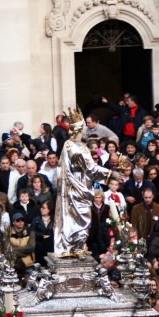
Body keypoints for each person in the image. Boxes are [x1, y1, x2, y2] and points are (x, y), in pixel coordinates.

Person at [54, 107, 120, 255]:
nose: (84, 130)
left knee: (72, 216)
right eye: (82, 127)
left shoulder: (68, 145)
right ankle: (76, 246)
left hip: (71, 186)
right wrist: (111, 174)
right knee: (82, 217)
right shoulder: (79, 148)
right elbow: (92, 169)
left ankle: (72, 245)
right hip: (79, 185)